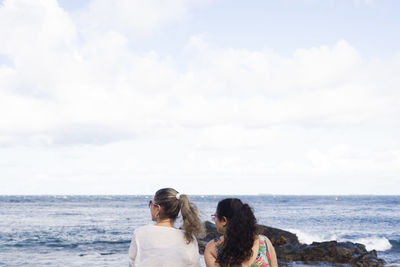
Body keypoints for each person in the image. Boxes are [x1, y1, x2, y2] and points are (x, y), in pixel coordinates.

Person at [128, 188, 204, 267]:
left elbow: (132, 263)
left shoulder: (140, 233)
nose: (150, 206)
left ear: (158, 208)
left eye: (151, 203)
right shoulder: (189, 238)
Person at [204, 198, 278, 267]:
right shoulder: (265, 243)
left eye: (215, 216)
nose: (214, 220)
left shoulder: (213, 248)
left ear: (224, 220)